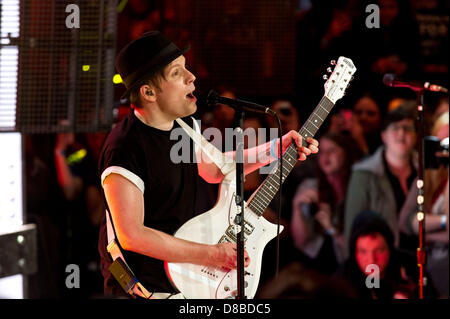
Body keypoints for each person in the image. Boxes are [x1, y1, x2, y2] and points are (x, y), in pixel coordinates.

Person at [97, 31, 319, 298]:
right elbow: (133, 235)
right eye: (178, 73)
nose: (192, 77)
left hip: (185, 285)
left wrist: (276, 147)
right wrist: (212, 255)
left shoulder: (183, 125)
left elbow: (218, 168)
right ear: (148, 92)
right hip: (143, 292)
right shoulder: (124, 148)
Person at [344, 103, 418, 253]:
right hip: (379, 260)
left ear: (416, 135)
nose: (401, 133)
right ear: (383, 136)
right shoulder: (364, 173)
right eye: (395, 128)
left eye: (407, 128)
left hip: (422, 257)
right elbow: (353, 227)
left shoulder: (428, 171)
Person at [291, 132, 361, 274]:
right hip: (316, 266)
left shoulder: (358, 187)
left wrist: (330, 228)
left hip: (351, 266)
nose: (325, 157)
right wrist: (297, 207)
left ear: (346, 153)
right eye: (321, 152)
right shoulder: (309, 186)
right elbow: (300, 242)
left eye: (332, 150)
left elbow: (357, 249)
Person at [399, 111, 449, 298]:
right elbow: (405, 222)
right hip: (430, 270)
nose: (445, 151)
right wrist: (443, 222)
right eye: (441, 143)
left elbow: (417, 224)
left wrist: (427, 231)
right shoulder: (425, 177)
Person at [337, 210, 420, 299]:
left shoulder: (411, 266)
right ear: (354, 252)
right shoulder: (342, 282)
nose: (372, 260)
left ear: (389, 248)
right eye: (363, 252)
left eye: (379, 251)